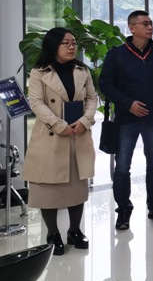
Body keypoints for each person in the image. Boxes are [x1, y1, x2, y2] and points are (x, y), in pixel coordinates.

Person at [99, 10, 153, 231]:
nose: (150, 27)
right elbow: (105, 84)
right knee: (123, 166)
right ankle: (124, 210)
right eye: (145, 23)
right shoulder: (117, 55)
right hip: (127, 120)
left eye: (151, 23)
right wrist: (128, 104)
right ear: (132, 28)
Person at [23, 28, 97, 255]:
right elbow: (36, 103)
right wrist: (59, 125)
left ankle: (75, 230)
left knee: (77, 185)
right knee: (48, 187)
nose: (72, 47)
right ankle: (53, 233)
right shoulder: (39, 72)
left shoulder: (83, 70)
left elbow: (92, 98)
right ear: (53, 45)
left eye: (74, 43)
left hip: (78, 133)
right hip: (52, 136)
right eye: (66, 43)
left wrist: (85, 120)